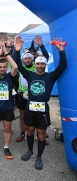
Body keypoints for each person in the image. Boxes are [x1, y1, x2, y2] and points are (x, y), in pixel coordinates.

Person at [15, 36, 67, 170]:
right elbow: (19, 65)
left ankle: (39, 156)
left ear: (45, 65)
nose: (39, 65)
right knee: (30, 131)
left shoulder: (50, 76)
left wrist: (61, 50)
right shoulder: (30, 75)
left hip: (43, 110)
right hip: (30, 109)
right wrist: (17, 51)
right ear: (35, 64)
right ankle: (30, 151)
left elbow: (62, 66)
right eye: (37, 63)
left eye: (42, 63)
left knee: (41, 134)